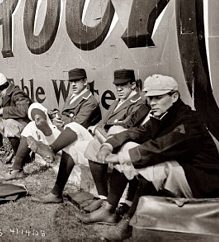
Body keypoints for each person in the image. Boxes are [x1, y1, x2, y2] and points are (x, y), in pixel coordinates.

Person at [75, 74, 219, 240]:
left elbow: (160, 147)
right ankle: (110, 209)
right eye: (150, 98)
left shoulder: (188, 121)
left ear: (174, 96)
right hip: (182, 173)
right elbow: (139, 132)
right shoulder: (164, 114)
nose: (152, 102)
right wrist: (110, 145)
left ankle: (127, 224)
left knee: (151, 167)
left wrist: (121, 158)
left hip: (202, 182)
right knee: (127, 148)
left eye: (158, 97)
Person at [26, 70, 149, 205]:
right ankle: (56, 193)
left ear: (133, 85)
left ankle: (51, 149)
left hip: (116, 145)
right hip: (101, 140)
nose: (119, 88)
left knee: (74, 126)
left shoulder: (139, 103)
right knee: (72, 147)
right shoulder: (117, 101)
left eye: (123, 85)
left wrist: (97, 128)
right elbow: (103, 123)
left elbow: (125, 127)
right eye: (117, 85)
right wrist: (98, 128)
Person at [0, 68, 102, 180]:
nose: (73, 84)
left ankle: (48, 142)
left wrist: (60, 120)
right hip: (62, 130)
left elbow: (78, 123)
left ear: (85, 81)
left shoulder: (90, 101)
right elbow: (65, 116)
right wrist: (54, 116)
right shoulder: (71, 96)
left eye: (77, 81)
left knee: (67, 125)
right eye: (71, 82)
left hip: (74, 137)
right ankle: (16, 169)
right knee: (33, 120)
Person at [0, 72, 32, 160]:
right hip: (15, 122)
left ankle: (20, 158)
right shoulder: (2, 94)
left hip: (26, 125)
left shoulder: (17, 93)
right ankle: (1, 150)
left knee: (10, 124)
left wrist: (4, 110)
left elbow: (23, 111)